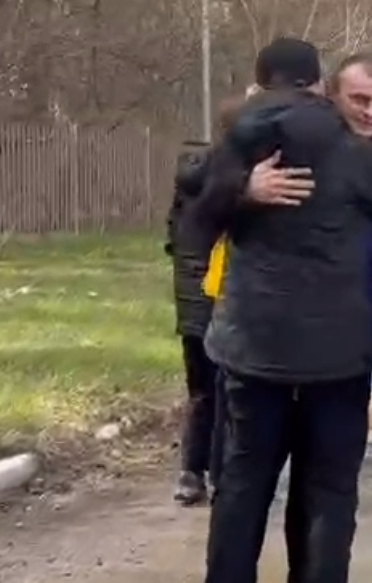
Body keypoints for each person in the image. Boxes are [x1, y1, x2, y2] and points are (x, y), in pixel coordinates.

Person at [194, 38, 372, 583]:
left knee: (243, 485)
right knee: (326, 493)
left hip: (256, 348)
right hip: (333, 357)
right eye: (360, 100)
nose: (371, 113)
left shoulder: (249, 136)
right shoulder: (366, 158)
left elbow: (195, 209)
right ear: (325, 91)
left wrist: (241, 189)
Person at [165, 96, 248, 506]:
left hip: (193, 301)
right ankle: (218, 473)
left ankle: (192, 472)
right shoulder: (237, 183)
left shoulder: (190, 179)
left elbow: (175, 240)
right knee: (229, 392)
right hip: (224, 299)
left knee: (202, 391)